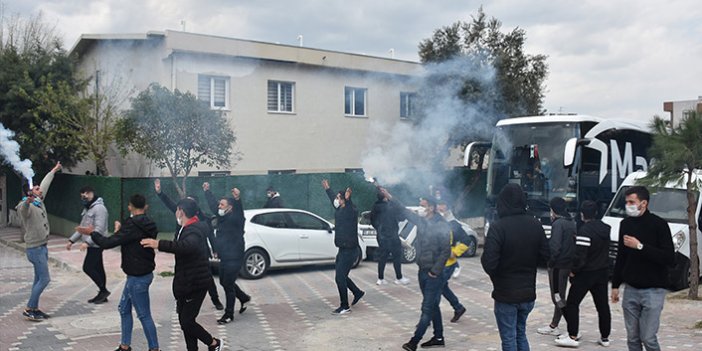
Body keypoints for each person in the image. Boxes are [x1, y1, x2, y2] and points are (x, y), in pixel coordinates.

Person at [141, 198, 223, 351]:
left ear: (181, 211)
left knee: (186, 322)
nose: (175, 213)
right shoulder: (187, 227)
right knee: (185, 322)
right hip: (186, 283)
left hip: (196, 283)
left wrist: (158, 244)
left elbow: (186, 246)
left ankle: (213, 343)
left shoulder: (194, 230)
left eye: (177, 210)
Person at [481, 183, 550, 351]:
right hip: (528, 294)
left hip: (506, 295)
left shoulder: (498, 227)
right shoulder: (535, 224)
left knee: (509, 339)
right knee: (520, 333)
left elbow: (489, 263)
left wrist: (498, 276)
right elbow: (546, 256)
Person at [381, 189, 451, 351]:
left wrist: (435, 271)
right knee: (433, 306)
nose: (420, 206)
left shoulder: (442, 225)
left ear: (432, 207)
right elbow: (404, 211)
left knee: (427, 308)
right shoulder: (422, 221)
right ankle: (439, 337)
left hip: (434, 274)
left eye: (423, 204)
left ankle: (414, 342)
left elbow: (446, 251)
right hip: (423, 271)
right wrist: (390, 196)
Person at [90, 194, 160, 351]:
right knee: (123, 308)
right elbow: (131, 239)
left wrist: (92, 233)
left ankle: (154, 348)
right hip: (140, 274)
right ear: (145, 206)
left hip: (138, 277)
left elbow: (108, 243)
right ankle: (125, 346)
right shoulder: (150, 224)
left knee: (143, 314)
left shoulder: (132, 225)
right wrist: (120, 232)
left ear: (130, 207)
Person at [611, 186, 674, 351]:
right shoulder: (625, 224)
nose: (628, 205)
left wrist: (640, 246)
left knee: (648, 338)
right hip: (631, 289)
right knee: (632, 338)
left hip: (654, 289)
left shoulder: (659, 225)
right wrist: (615, 285)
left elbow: (668, 258)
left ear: (643, 203)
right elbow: (621, 256)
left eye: (632, 202)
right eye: (626, 202)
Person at [154, 179, 224, 311]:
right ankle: (181, 301)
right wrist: (159, 192)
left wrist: (215, 250)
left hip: (199, 251)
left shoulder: (201, 219)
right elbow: (169, 203)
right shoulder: (180, 213)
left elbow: (210, 235)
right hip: (182, 250)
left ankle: (215, 300)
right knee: (182, 274)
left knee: (206, 277)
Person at [555, 200, 611, 348]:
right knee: (602, 305)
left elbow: (581, 255)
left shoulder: (585, 230)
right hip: (602, 272)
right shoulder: (606, 228)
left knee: (572, 303)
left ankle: (573, 335)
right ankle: (605, 337)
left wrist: (573, 271)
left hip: (586, 273)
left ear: (582, 214)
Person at [16, 162, 61, 321]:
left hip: (42, 247)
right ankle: (29, 308)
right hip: (35, 249)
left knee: (38, 279)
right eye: (36, 189)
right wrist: (27, 201)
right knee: (45, 279)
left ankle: (34, 308)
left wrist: (53, 171)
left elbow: (45, 185)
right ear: (29, 192)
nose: (40, 190)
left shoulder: (38, 201)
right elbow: (23, 209)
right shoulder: (25, 205)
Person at [203, 182, 251, 325]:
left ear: (230, 208)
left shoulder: (236, 219)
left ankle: (229, 314)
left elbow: (239, 212)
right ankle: (243, 297)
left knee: (228, 284)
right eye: (220, 205)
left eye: (222, 205)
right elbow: (213, 205)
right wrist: (207, 192)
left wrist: (237, 199)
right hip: (225, 256)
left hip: (235, 257)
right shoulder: (222, 217)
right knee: (224, 281)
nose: (219, 207)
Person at [322, 179, 365, 315]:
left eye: (339, 198)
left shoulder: (351, 211)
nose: (337, 200)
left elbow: (351, 208)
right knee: (342, 276)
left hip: (351, 250)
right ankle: (357, 292)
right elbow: (333, 200)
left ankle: (344, 306)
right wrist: (328, 189)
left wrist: (349, 199)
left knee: (339, 278)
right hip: (342, 249)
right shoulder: (340, 209)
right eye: (337, 198)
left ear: (345, 200)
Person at [538, 197, 576, 336]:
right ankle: (554, 324)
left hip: (557, 266)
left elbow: (555, 247)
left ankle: (571, 326)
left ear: (553, 209)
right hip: (567, 265)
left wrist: (550, 262)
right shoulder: (571, 222)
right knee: (560, 295)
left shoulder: (558, 224)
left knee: (557, 297)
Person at [66, 185, 110, 304]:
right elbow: (82, 228)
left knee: (88, 267)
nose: (84, 197)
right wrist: (71, 241)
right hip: (92, 244)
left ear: (92, 193)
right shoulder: (88, 208)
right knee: (98, 268)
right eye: (82, 195)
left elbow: (99, 229)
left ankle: (103, 290)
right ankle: (102, 294)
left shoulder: (99, 208)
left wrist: (87, 242)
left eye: (86, 194)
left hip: (97, 243)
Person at [436, 200, 469, 323]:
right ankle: (458, 307)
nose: (439, 207)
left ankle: (428, 316)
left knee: (435, 290)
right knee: (442, 288)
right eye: (437, 204)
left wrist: (454, 252)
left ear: (446, 206)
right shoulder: (436, 221)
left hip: (448, 264)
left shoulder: (453, 223)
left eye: (441, 204)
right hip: (437, 263)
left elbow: (466, 240)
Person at [370, 189, 409, 286]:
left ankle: (380, 279)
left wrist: (379, 229)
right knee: (397, 257)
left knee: (382, 257)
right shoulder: (391, 206)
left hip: (381, 236)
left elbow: (372, 220)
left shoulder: (375, 207)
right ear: (385, 197)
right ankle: (399, 278)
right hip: (392, 236)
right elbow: (402, 217)